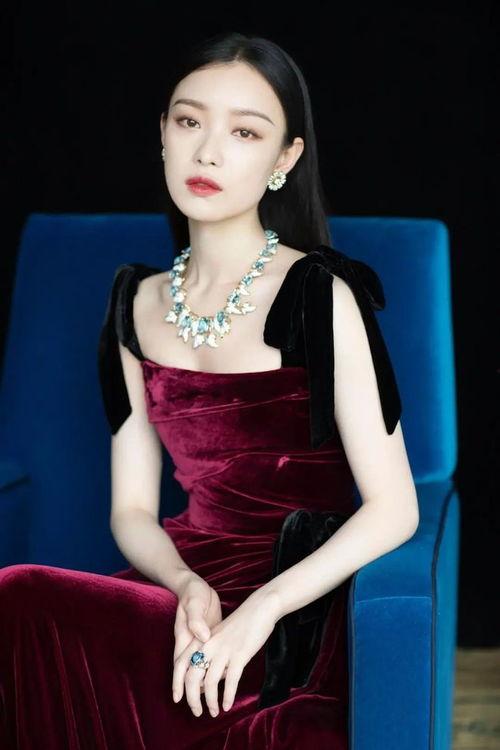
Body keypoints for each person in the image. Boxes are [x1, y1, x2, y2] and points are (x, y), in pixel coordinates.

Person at [0, 31, 419, 749]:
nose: (208, 152)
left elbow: (395, 508)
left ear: (284, 159)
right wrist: (184, 585)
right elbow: (133, 510)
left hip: (294, 590)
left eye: (244, 131)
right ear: (162, 134)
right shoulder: (134, 303)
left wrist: (261, 610)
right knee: (19, 602)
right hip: (182, 581)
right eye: (190, 121)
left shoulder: (320, 293)